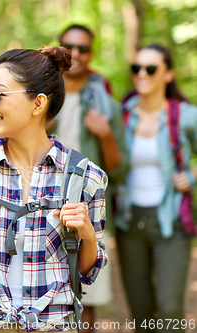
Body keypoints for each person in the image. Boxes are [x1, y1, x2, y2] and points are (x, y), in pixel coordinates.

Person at [0, 46, 108, 333]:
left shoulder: (85, 177)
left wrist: (88, 235)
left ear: (38, 103)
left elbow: (86, 271)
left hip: (56, 325)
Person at [47, 24, 129, 332]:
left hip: (88, 208)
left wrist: (105, 135)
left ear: (91, 53)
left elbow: (119, 168)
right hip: (41, 201)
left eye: (83, 48)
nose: (76, 54)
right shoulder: (41, 92)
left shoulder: (105, 102)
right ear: (60, 49)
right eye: (70, 46)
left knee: (87, 299)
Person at [116, 44, 197, 333]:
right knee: (141, 312)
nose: (142, 74)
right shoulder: (122, 113)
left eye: (151, 68)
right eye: (136, 68)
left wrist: (192, 175)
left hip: (171, 221)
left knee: (171, 307)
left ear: (168, 74)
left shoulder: (185, 115)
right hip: (128, 221)